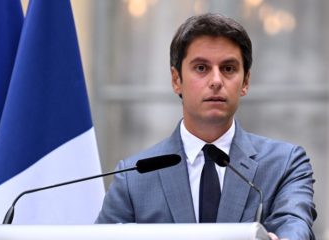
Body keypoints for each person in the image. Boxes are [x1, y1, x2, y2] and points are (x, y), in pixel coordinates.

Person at [96, 13, 317, 240]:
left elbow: (295, 223)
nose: (216, 81)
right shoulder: (134, 177)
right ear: (176, 80)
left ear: (246, 82)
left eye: (228, 68)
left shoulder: (284, 164)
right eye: (201, 68)